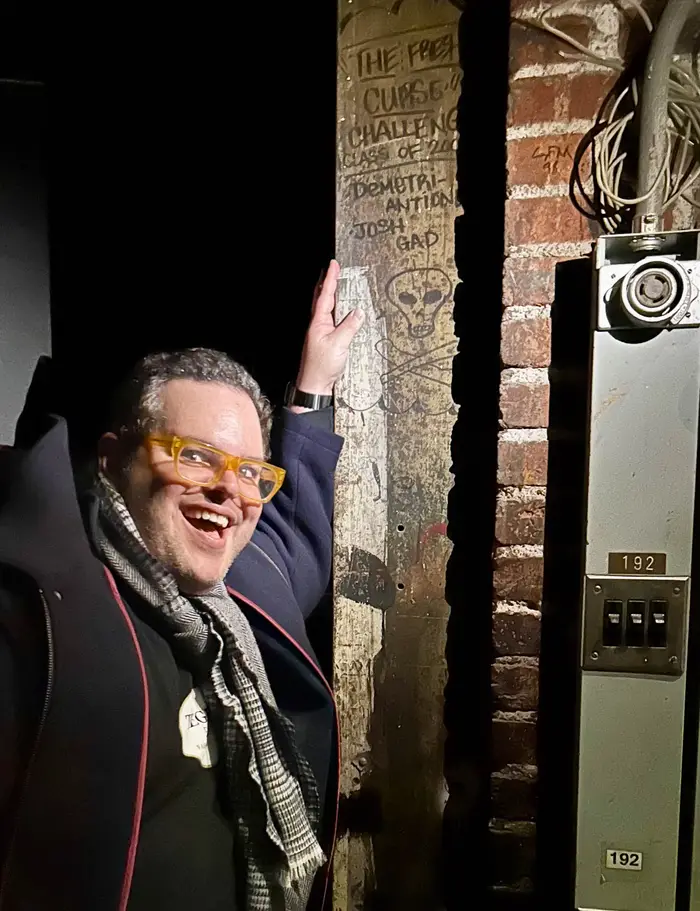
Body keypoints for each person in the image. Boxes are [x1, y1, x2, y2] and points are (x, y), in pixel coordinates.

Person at [0, 260, 363, 911]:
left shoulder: (240, 590)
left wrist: (314, 386)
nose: (230, 491)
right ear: (112, 460)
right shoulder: (39, 617)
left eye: (251, 471)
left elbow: (298, 535)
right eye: (194, 456)